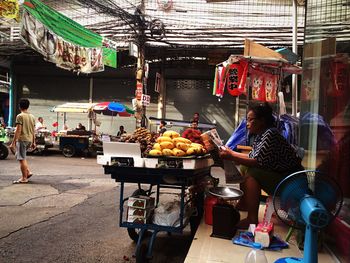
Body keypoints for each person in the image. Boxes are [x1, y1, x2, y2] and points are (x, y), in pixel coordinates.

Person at [219, 102, 303, 229]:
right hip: (282, 177)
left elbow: (257, 161)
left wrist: (231, 155)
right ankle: (245, 203)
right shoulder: (262, 134)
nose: (247, 123)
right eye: (247, 119)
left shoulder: (270, 134)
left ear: (262, 121)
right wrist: (231, 153)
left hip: (291, 184)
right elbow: (252, 156)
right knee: (244, 167)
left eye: (250, 120)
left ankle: (252, 219)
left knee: (252, 174)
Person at [9, 98, 36, 184]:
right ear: (28, 106)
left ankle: (24, 178)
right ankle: (28, 172)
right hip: (29, 140)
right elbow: (33, 130)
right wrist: (34, 141)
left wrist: (13, 142)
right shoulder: (32, 116)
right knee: (20, 156)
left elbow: (18, 130)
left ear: (20, 106)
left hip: (22, 139)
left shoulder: (20, 116)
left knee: (21, 159)